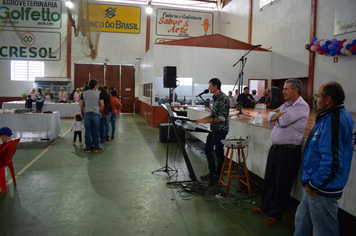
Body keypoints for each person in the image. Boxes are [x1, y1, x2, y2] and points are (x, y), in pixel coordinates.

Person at [294, 82, 354, 236]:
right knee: (302, 220)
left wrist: (314, 184)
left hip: (322, 188)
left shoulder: (334, 121)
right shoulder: (331, 117)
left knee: (324, 230)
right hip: (316, 185)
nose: (315, 99)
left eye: (318, 96)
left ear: (328, 100)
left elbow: (332, 161)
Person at [250, 78, 310, 227]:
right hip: (275, 148)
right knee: (269, 179)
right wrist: (276, 115)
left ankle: (275, 214)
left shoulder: (302, 106)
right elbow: (270, 115)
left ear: (295, 91)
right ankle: (265, 207)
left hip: (288, 152)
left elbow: (283, 121)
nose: (283, 91)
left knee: (282, 184)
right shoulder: (287, 104)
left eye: (286, 89)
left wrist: (278, 116)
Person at [196, 78, 230, 181]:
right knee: (207, 149)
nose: (208, 88)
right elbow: (213, 115)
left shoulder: (223, 98)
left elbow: (222, 118)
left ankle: (218, 175)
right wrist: (202, 119)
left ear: (215, 86)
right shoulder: (215, 97)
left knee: (219, 152)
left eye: (210, 86)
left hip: (221, 129)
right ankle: (212, 172)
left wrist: (206, 122)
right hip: (214, 129)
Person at [80, 79, 104, 152]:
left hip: (87, 114)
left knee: (87, 131)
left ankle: (88, 147)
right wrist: (100, 111)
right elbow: (102, 105)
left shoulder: (83, 93)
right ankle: (96, 147)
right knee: (96, 131)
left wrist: (82, 113)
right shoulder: (99, 93)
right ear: (95, 85)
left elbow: (81, 105)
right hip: (96, 114)